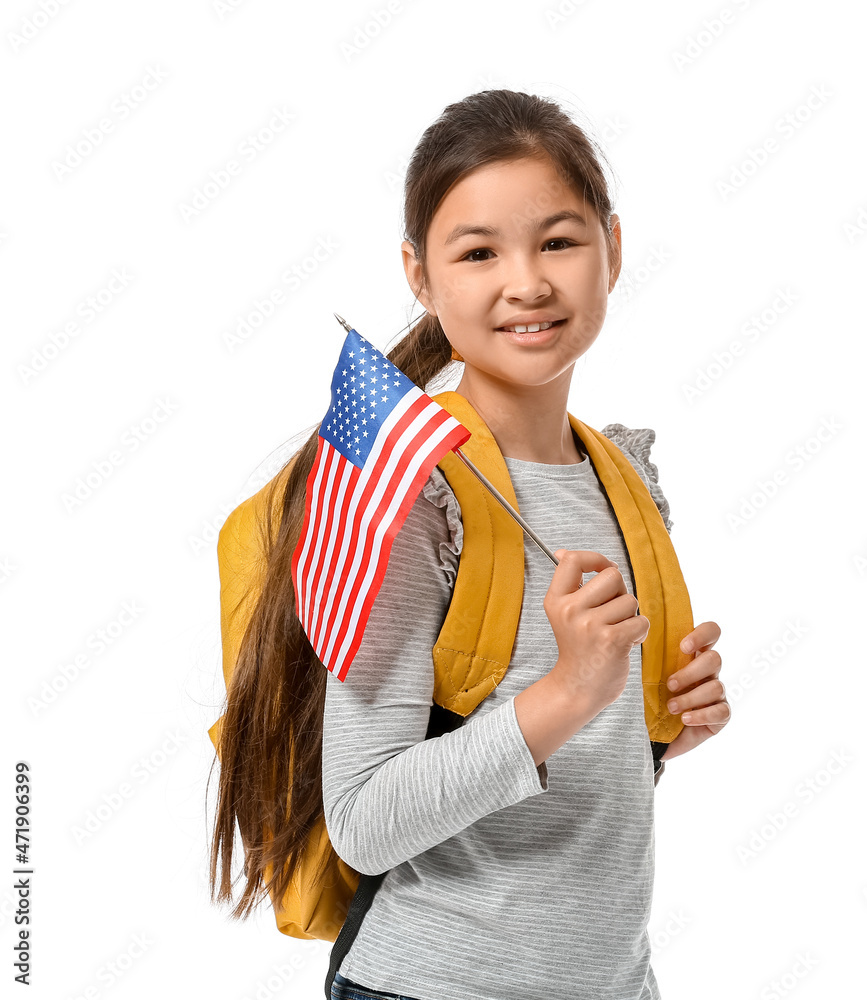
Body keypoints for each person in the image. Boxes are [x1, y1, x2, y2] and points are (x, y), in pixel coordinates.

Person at [209, 89, 729, 1000]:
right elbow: (367, 818)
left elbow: (548, 766)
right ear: (420, 273)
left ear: (613, 246)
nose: (526, 281)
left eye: (559, 241)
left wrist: (657, 724)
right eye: (479, 252)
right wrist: (571, 690)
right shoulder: (412, 493)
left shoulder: (622, 476)